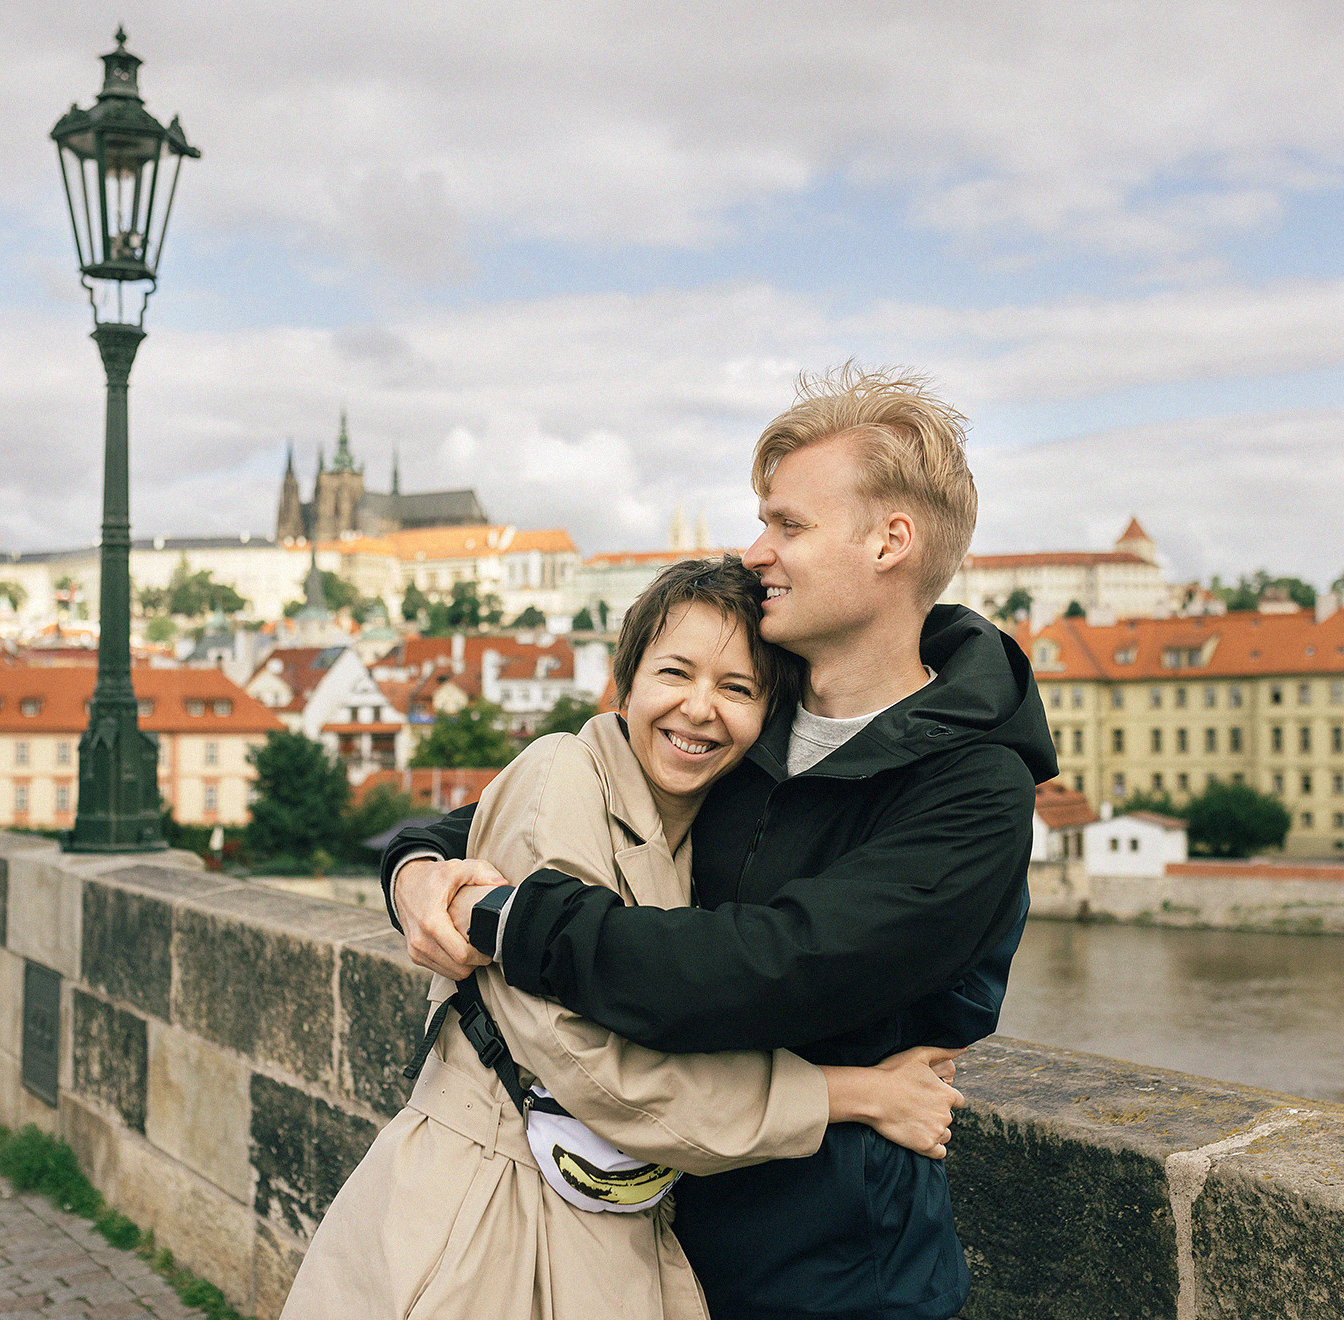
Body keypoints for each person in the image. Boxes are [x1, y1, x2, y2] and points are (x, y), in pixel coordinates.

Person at [384, 366, 1057, 1320]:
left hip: (834, 1274)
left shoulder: (975, 790)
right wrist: (415, 868)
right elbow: (538, 803)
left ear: (889, 541)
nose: (755, 552)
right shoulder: (747, 713)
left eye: (787, 525)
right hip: (650, 1239)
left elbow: (760, 970)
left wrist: (502, 916)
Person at [281, 557, 967, 1320]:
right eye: (675, 673)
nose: (699, 708)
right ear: (625, 683)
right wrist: (857, 1095)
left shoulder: (705, 827)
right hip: (486, 1217)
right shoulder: (561, 774)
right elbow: (594, 1069)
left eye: (737, 688)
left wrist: (411, 859)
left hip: (609, 1228)